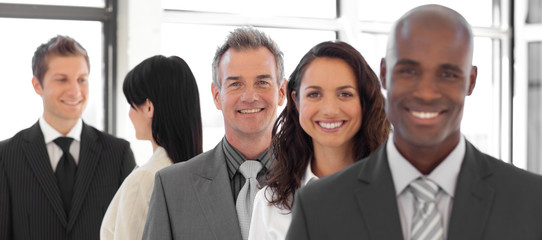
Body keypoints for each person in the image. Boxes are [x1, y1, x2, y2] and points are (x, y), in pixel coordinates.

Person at [285, 5, 542, 240]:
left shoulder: (531, 201)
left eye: (447, 74)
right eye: (409, 71)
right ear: (384, 74)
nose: (426, 93)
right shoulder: (318, 207)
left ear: (471, 81)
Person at [142, 27, 286, 240]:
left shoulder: (312, 180)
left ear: (281, 93)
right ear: (217, 96)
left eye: (262, 82)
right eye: (236, 84)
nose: (249, 96)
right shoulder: (172, 186)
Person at [248, 41, 390, 240]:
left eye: (345, 94)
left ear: (364, 101)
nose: (330, 109)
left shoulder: (399, 191)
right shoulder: (271, 204)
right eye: (314, 94)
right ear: (296, 101)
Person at [0, 35, 136, 240]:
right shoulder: (6, 156)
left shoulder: (118, 154)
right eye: (62, 79)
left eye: (82, 79)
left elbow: (131, 232)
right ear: (37, 85)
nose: (75, 91)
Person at [100, 55, 203, 239]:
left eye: (132, 105)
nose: (130, 114)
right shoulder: (204, 178)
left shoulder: (146, 179)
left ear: (149, 107)